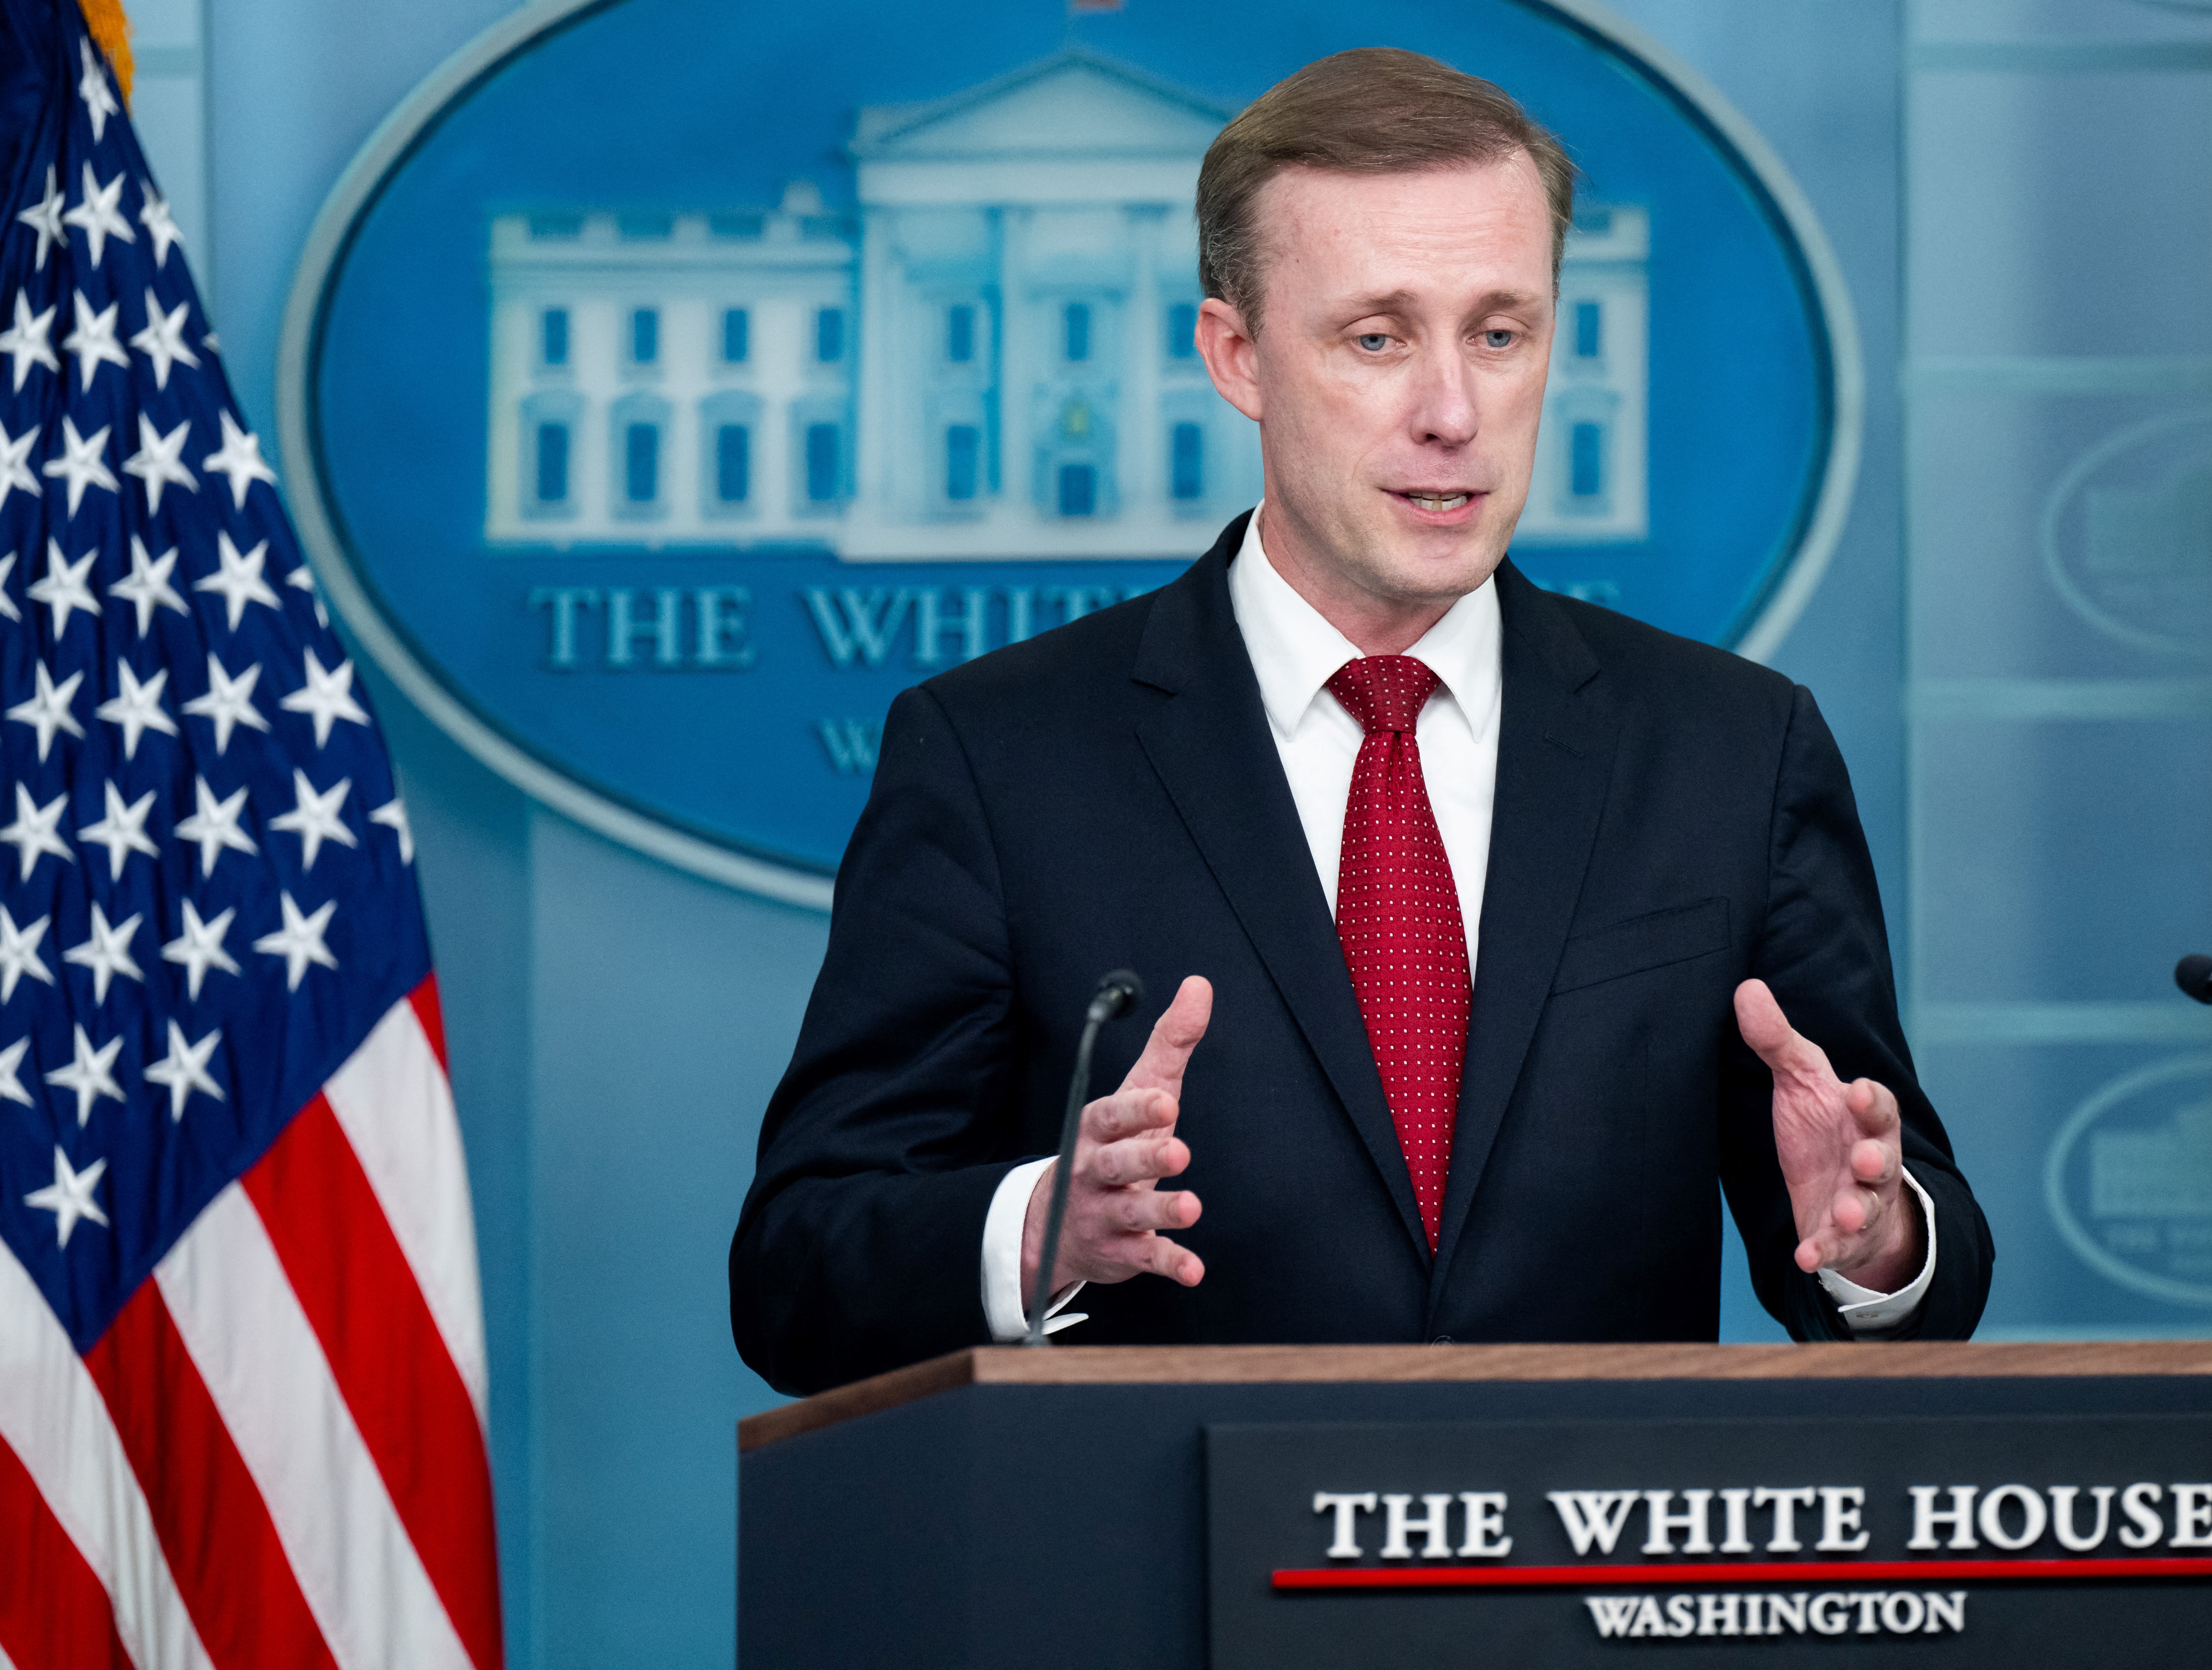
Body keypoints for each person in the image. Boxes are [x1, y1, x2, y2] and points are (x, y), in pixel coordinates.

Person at [732, 47, 1991, 1397]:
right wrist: (1042, 1235)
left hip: (1597, 1585)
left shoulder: (1731, 751)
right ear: (1237, 356)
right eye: (1377, 338)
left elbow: (1915, 1254)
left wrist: (1878, 1240)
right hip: (1164, 1582)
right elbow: (797, 1272)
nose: (1451, 414)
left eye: (1498, 334)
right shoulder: (1000, 758)